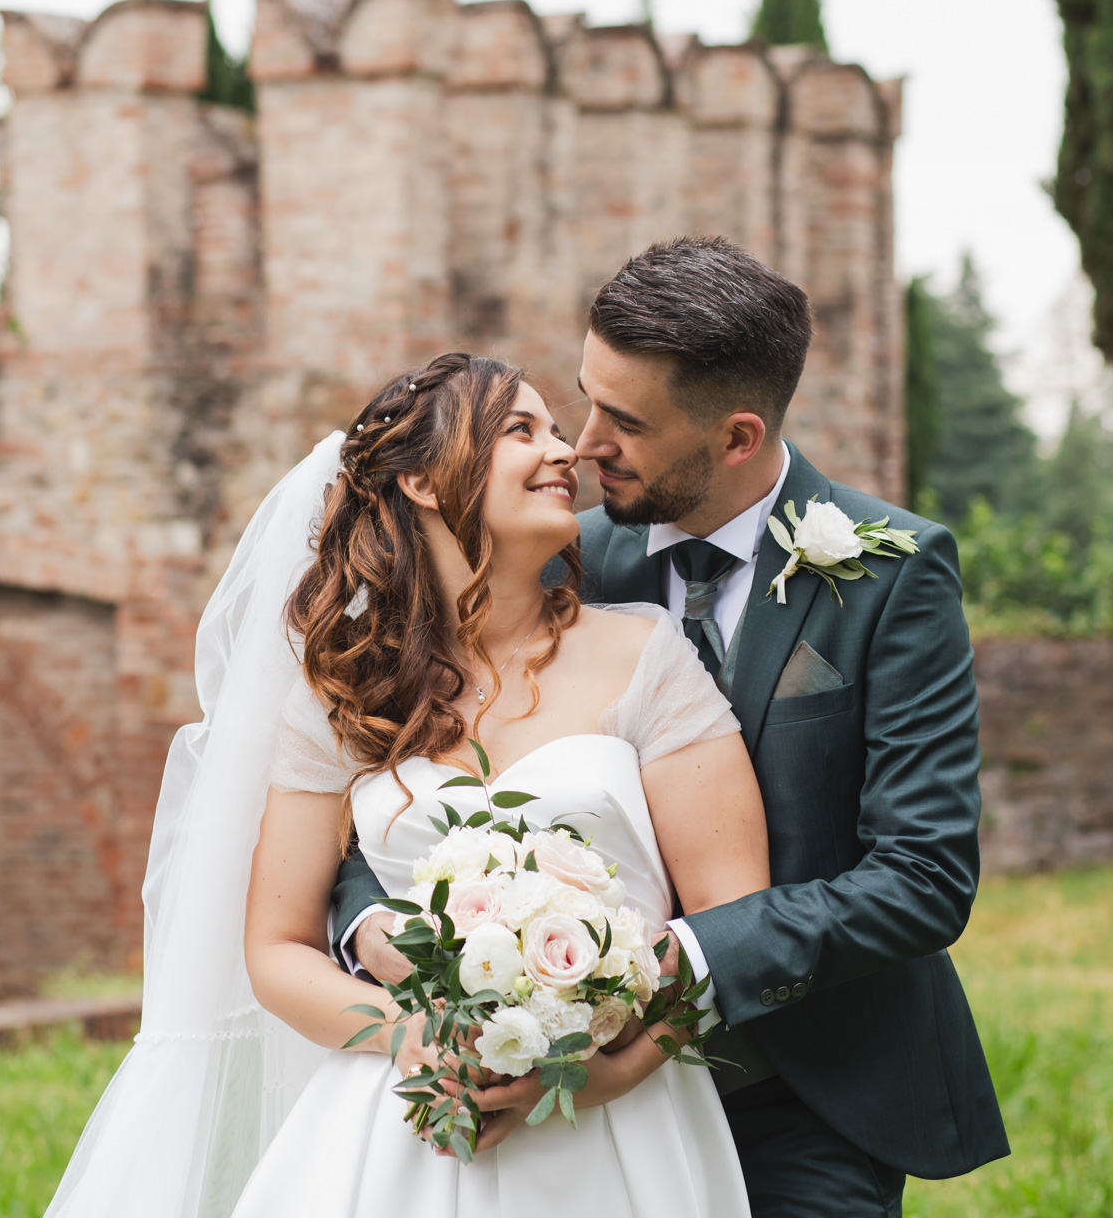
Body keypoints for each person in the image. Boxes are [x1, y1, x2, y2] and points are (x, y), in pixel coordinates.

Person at [333, 238, 1010, 1218]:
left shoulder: (892, 573)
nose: (581, 442)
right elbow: (402, 773)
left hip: (807, 1084)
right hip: (564, 1091)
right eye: (584, 396)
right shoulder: (562, 549)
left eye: (625, 420)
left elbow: (924, 875)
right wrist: (385, 924)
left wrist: (682, 961)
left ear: (736, 438)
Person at [43, 350, 766, 1217]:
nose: (565, 451)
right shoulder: (347, 693)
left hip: (622, 1128)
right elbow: (277, 949)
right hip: (406, 1122)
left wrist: (613, 1064)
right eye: (521, 430)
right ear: (424, 482)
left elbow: (733, 920)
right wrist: (414, 1035)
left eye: (558, 429)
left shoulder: (645, 659)